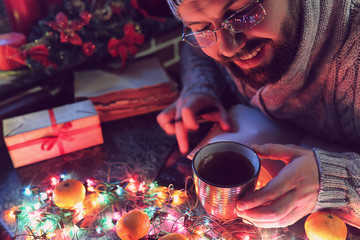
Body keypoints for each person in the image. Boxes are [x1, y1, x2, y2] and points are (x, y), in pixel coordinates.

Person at [156, 0, 360, 229]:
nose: (227, 48)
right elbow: (198, 51)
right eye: (202, 28)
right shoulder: (221, 41)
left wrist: (340, 182)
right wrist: (200, 87)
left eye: (243, 14)